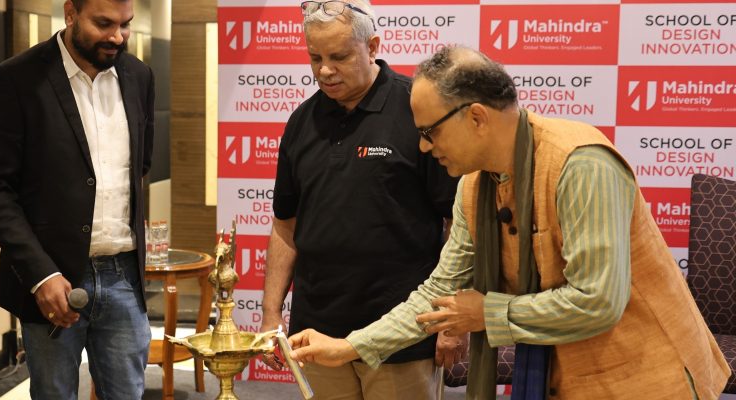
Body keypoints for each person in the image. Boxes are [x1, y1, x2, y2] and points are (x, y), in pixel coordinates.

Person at [287, 46, 731, 399]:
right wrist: (348, 347)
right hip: (561, 375)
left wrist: (487, 313)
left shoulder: (581, 164)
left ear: (477, 117)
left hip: (649, 375)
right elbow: (439, 293)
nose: (423, 148)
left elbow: (598, 301)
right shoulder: (473, 184)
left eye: (429, 132)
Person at [259, 1, 460, 398]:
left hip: (402, 334)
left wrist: (450, 323)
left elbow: (457, 227)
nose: (324, 70)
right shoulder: (301, 121)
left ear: (373, 47)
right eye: (315, 57)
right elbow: (285, 226)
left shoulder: (416, 109)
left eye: (339, 56)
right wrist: (270, 314)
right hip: (316, 333)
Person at [0, 0, 154, 398]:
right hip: (51, 283)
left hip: (124, 277)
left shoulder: (139, 75)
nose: (117, 37)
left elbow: (140, 166)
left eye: (125, 24)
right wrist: (41, 274)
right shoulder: (17, 79)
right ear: (70, 13)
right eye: (103, 23)